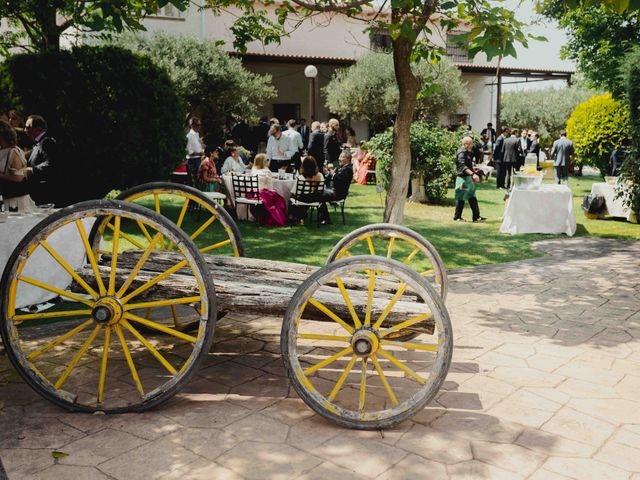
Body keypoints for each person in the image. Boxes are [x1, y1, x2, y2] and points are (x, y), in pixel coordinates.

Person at [23, 115, 57, 204]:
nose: (25, 130)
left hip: (46, 193)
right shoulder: (38, 143)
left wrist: (32, 170)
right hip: (40, 193)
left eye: (27, 127)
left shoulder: (46, 141)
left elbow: (52, 164)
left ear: (38, 129)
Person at [316, 149, 353, 225]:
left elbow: (339, 181)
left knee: (319, 195)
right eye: (339, 156)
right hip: (332, 190)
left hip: (338, 193)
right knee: (317, 192)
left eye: (341, 157)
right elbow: (331, 178)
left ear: (347, 159)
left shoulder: (348, 169)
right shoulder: (341, 168)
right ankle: (322, 217)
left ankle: (326, 219)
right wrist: (328, 173)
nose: (339, 159)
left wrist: (332, 174)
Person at [453, 136, 486, 222]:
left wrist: (474, 170)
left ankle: (476, 217)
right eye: (471, 143)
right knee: (461, 197)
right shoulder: (461, 153)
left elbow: (468, 165)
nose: (472, 145)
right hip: (462, 179)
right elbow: (462, 166)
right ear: (465, 144)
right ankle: (457, 217)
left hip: (468, 178)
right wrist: (473, 174)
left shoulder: (468, 152)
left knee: (472, 197)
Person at [0, 120, 30, 207]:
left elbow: (18, 177)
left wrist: (1, 175)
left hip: (15, 200)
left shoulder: (14, 151)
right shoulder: (2, 150)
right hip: (4, 198)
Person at [289, 155, 324, 224]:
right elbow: (322, 189)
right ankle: (301, 215)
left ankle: (293, 217)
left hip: (303, 199)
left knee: (291, 198)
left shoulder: (301, 178)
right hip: (315, 198)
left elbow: (294, 192)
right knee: (306, 197)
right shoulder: (320, 175)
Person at [186, 117, 204, 182]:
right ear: (192, 125)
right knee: (194, 181)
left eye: (200, 125)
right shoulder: (189, 136)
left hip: (198, 159)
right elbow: (188, 152)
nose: (199, 127)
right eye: (197, 125)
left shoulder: (197, 134)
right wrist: (199, 153)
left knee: (199, 180)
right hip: (193, 161)